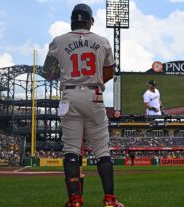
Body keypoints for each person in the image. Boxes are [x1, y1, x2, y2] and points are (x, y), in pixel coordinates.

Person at [42, 4, 123, 207]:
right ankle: (110, 200)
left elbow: (48, 73)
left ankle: (75, 200)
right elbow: (109, 72)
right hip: (94, 95)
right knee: (102, 151)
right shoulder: (102, 41)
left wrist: (68, 74)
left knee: (71, 150)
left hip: (69, 95)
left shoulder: (58, 41)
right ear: (89, 21)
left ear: (72, 20)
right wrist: (91, 80)